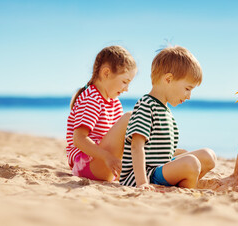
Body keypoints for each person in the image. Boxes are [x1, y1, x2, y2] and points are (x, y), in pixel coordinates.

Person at [120, 45, 216, 189]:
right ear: (169, 79)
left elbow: (158, 151)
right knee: (191, 163)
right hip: (144, 174)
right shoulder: (146, 105)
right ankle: (185, 188)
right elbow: (136, 146)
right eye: (187, 89)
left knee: (208, 156)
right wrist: (142, 183)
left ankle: (181, 184)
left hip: (160, 168)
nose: (189, 96)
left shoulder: (165, 111)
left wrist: (178, 153)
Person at [66, 45, 137, 181]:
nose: (127, 89)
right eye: (124, 82)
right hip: (87, 165)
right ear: (106, 73)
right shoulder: (92, 97)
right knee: (130, 118)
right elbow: (79, 139)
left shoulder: (114, 102)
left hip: (104, 162)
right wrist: (107, 157)